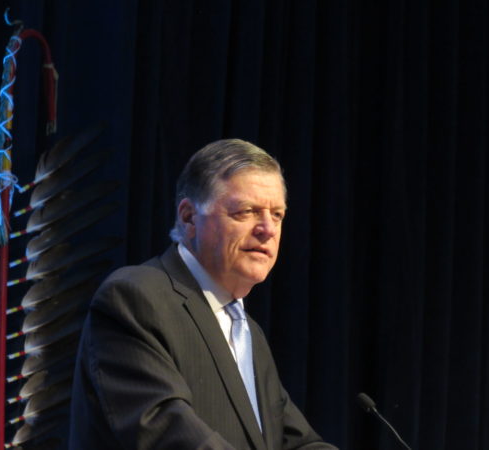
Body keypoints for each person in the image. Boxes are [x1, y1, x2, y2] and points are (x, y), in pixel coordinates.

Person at [69, 139, 337, 449]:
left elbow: (297, 443)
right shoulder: (135, 298)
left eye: (277, 215)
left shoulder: (249, 332)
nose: (268, 229)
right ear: (188, 217)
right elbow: (165, 431)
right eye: (246, 211)